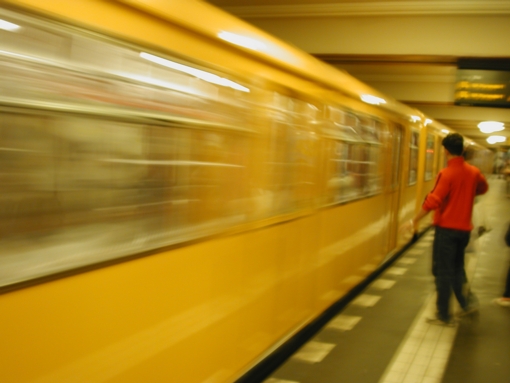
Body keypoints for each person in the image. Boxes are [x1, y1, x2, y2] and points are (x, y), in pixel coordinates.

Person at [402, 133, 489, 326]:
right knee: (457, 268)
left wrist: (413, 220)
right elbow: (483, 188)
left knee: (441, 271)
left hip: (446, 231)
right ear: (463, 150)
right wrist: (465, 193)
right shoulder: (473, 172)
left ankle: (444, 315)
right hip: (464, 231)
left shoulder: (447, 174)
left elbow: (433, 200)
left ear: (445, 151)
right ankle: (467, 303)